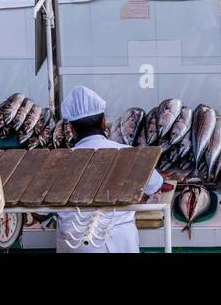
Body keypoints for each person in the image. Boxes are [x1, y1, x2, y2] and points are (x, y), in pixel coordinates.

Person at [56, 86, 163, 253]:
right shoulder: (129, 154)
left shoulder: (57, 162)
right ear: (104, 121)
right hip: (121, 242)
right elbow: (155, 186)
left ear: (71, 128)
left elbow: (39, 210)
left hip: (75, 244)